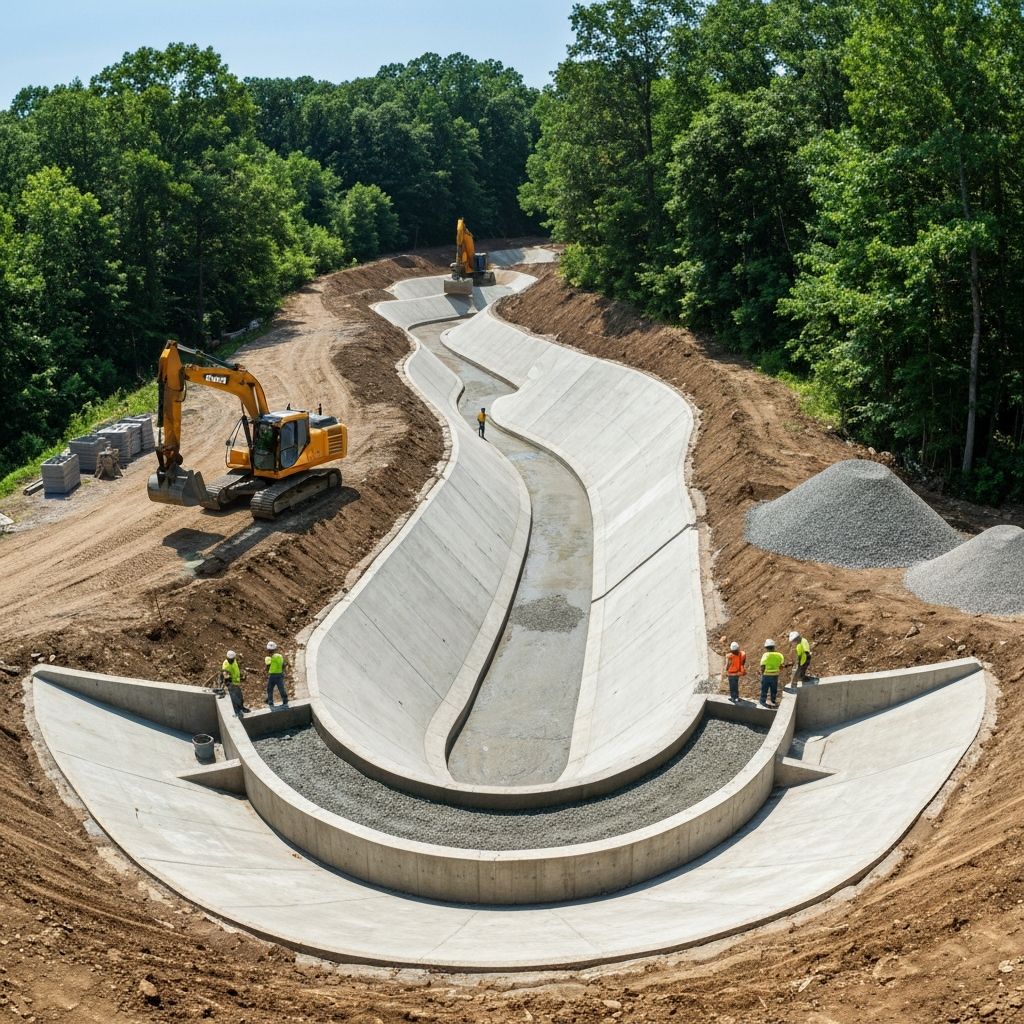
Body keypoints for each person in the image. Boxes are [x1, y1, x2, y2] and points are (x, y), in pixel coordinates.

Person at [221, 650, 249, 715]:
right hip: (231, 684)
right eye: (230, 660)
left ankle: (242, 708)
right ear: (227, 658)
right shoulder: (226, 665)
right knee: (234, 698)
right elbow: (226, 678)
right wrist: (231, 684)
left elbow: (236, 669)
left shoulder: (234, 661)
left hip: (236, 683)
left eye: (232, 659)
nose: (231, 661)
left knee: (240, 697)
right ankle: (237, 711)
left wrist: (241, 676)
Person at [759, 639, 785, 708]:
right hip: (775, 676)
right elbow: (781, 666)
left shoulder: (765, 655)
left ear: (766, 648)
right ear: (774, 647)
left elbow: (762, 666)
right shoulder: (779, 655)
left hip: (766, 675)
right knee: (774, 689)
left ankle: (762, 701)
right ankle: (773, 701)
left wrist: (762, 674)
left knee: (764, 689)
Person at [265, 641, 287, 708]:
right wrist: (282, 671)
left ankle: (270, 703)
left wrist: (267, 671)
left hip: (272, 675)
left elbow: (267, 667)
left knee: (270, 689)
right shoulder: (280, 656)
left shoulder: (268, 658)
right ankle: (285, 701)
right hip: (280, 674)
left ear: (268, 650)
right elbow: (284, 665)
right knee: (281, 688)